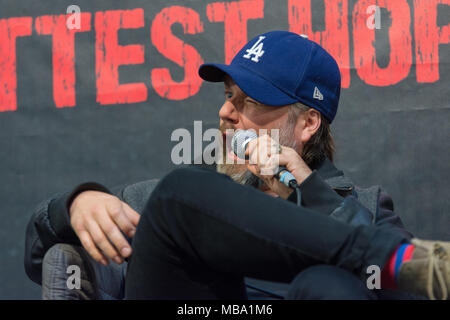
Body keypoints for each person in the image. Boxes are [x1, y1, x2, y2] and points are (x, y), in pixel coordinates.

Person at [24, 30, 450, 300]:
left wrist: (312, 195)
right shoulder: (168, 204)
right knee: (183, 190)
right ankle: (385, 256)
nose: (227, 112)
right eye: (229, 95)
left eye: (250, 102)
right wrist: (75, 205)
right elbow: (37, 253)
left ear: (307, 123)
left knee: (328, 286)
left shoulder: (367, 207)